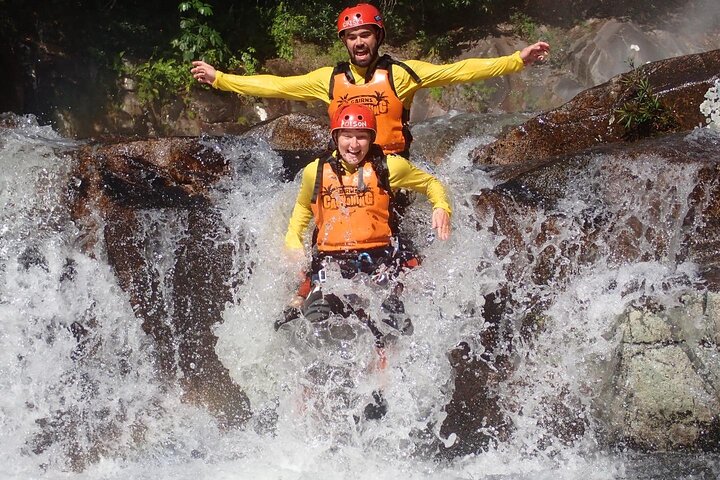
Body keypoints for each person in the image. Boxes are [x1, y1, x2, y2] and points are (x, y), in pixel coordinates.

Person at [276, 103, 451, 419]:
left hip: (377, 259)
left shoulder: (389, 167)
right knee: (311, 321)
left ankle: (380, 393)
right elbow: (302, 209)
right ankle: (306, 400)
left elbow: (430, 184)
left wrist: (441, 207)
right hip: (331, 262)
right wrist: (292, 241)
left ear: (371, 139)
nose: (353, 144)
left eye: (361, 137)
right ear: (335, 136)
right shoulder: (315, 172)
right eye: (347, 136)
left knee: (391, 322)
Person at [191, 3, 550, 156]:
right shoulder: (327, 79)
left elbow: (459, 72)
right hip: (346, 167)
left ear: (378, 37)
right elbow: (274, 85)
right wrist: (220, 78)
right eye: (352, 36)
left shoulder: (402, 74)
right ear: (345, 42)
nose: (359, 42)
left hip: (391, 165)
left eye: (365, 34)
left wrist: (516, 60)